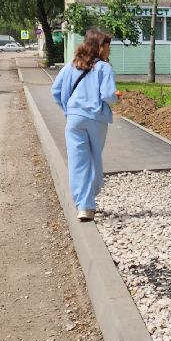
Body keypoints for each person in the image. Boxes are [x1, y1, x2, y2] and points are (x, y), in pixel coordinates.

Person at [51, 28, 118, 221]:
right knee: (94, 159)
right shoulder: (104, 68)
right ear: (99, 46)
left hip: (74, 119)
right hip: (96, 119)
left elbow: (55, 91)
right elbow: (107, 95)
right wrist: (116, 98)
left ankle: (84, 206)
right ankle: (90, 197)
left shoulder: (71, 65)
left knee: (77, 162)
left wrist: (68, 109)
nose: (109, 50)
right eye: (108, 45)